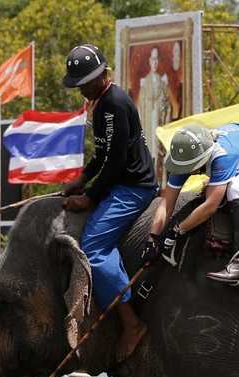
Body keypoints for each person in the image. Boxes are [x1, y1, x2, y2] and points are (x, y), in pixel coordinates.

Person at [61, 44, 158, 360]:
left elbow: (115, 162)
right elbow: (102, 153)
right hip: (119, 183)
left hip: (133, 188)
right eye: (81, 84)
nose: (84, 89)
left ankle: (131, 323)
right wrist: (82, 177)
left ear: (103, 74)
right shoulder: (100, 104)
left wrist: (88, 195)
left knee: (94, 248)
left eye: (88, 81)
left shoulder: (114, 103)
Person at [146, 122, 239, 287]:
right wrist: (152, 238)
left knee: (236, 189)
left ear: (202, 158)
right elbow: (167, 202)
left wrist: (177, 230)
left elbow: (210, 207)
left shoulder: (223, 156)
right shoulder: (185, 156)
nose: (185, 170)